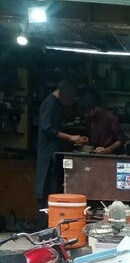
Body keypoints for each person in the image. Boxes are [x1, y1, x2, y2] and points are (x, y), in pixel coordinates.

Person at [35, 80, 87, 225]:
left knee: (54, 194)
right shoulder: (49, 103)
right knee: (47, 195)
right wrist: (70, 137)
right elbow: (47, 128)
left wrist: (72, 138)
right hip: (47, 157)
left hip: (53, 154)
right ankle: (43, 231)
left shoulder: (57, 105)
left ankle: (50, 228)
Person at [81, 88, 125, 155]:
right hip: (96, 153)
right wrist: (86, 139)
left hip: (110, 155)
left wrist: (108, 150)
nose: (86, 115)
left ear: (94, 107)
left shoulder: (110, 118)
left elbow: (120, 140)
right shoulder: (91, 119)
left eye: (87, 112)